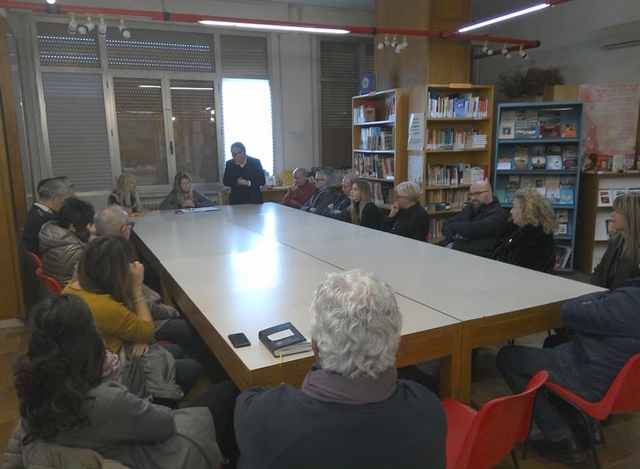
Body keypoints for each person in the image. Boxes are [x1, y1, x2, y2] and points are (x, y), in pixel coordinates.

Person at [234, 270, 447, 468]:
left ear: (315, 346)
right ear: (394, 342)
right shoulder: (428, 410)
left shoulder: (269, 418)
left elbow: (246, 401)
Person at [10, 294, 238, 469]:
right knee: (229, 391)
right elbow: (163, 424)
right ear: (85, 341)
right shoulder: (105, 399)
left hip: (116, 446)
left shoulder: (35, 390)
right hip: (147, 456)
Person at [496, 287, 640, 465]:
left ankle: (560, 437)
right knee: (552, 341)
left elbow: (569, 311)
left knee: (507, 358)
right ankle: (590, 429)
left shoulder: (627, 303)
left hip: (588, 379)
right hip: (621, 383)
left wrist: (603, 294)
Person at [63, 235, 201, 401]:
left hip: (97, 358)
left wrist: (138, 335)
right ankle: (163, 404)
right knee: (191, 366)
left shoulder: (72, 287)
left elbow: (136, 329)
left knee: (175, 350)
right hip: (116, 371)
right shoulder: (104, 306)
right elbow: (147, 332)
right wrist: (136, 289)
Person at [93, 205, 179, 321]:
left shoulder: (94, 250)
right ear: (123, 230)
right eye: (130, 225)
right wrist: (170, 311)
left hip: (110, 315)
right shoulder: (114, 261)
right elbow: (138, 302)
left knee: (149, 271)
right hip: (134, 320)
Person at [492, 188, 556, 272]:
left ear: (527, 211)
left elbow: (523, 270)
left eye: (514, 207)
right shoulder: (512, 229)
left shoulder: (538, 239)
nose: (511, 211)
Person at [441, 181, 509, 257]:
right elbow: (446, 225)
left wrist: (454, 227)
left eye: (477, 194)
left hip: (474, 257)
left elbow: (473, 229)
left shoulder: (499, 214)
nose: (473, 198)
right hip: (453, 249)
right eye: (471, 194)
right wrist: (454, 236)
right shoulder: (470, 208)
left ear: (489, 194)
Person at [39, 197, 96, 286]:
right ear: (73, 227)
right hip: (71, 290)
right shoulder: (75, 250)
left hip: (59, 287)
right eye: (87, 225)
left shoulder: (53, 235)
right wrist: (94, 236)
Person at [591, 192, 640, 291]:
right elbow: (600, 271)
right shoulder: (616, 240)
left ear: (631, 216)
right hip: (606, 295)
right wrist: (594, 292)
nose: (612, 214)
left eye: (617, 212)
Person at [23, 177, 70, 256]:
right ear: (55, 197)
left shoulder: (35, 210)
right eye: (65, 200)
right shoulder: (45, 219)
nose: (65, 204)